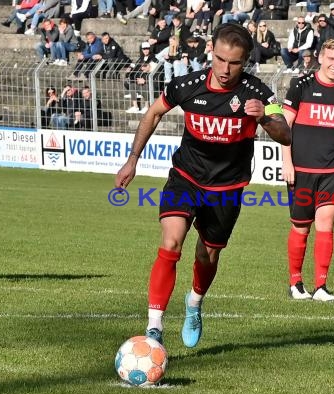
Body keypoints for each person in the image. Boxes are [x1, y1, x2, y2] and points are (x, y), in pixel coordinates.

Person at [113, 23, 291, 347]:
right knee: (171, 244)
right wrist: (133, 158)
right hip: (186, 177)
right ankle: (154, 328)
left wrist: (264, 116)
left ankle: (194, 302)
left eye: (234, 63)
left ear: (245, 61)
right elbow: (153, 113)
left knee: (207, 256)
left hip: (226, 189)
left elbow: (285, 133)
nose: (225, 69)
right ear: (212, 51)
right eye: (220, 59)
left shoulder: (259, 94)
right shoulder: (188, 85)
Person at [282, 39, 334, 301]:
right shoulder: (300, 86)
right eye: (332, 59)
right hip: (301, 170)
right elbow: (284, 128)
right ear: (321, 58)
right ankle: (296, 284)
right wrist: (287, 163)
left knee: (326, 224)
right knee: (301, 227)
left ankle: (321, 287)